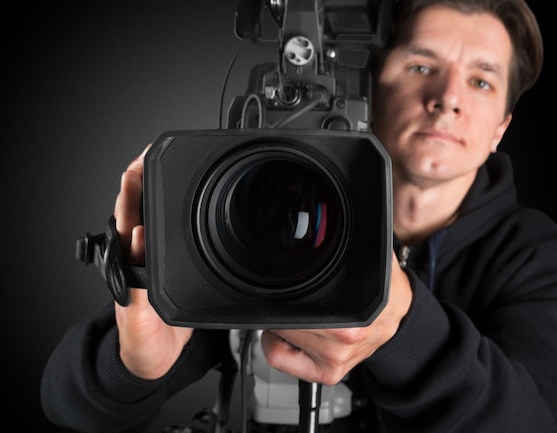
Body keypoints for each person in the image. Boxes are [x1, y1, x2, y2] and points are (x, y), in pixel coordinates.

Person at [41, 0, 557, 431]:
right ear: (368, 90)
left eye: (481, 82)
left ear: (502, 128)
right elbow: (72, 406)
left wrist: (405, 332)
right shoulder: (269, 217)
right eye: (421, 67)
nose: (446, 100)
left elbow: (533, 420)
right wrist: (133, 365)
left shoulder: (532, 253)